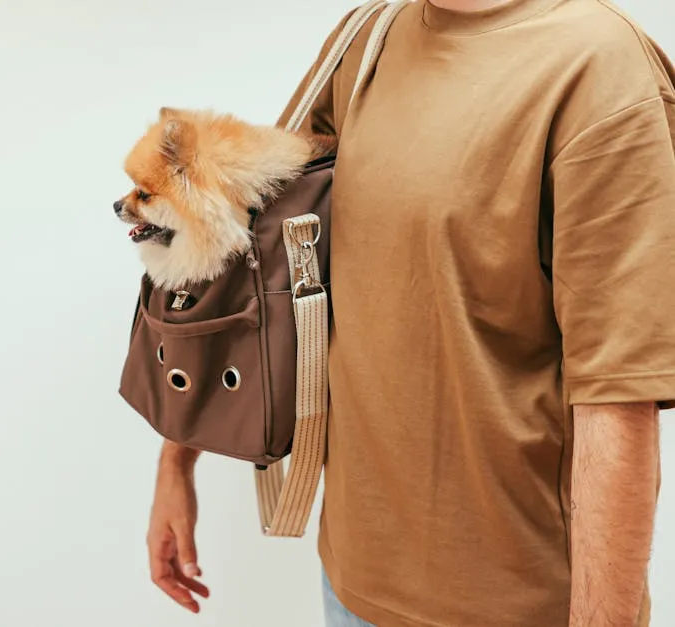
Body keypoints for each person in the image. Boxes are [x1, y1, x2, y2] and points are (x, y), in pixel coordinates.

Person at [144, 0, 675, 625]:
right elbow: (245, 251)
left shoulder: (599, 68)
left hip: (516, 604)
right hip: (350, 581)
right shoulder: (368, 34)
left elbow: (617, 392)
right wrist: (176, 458)